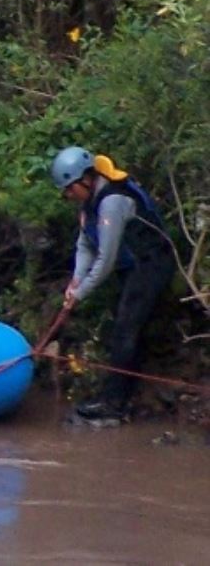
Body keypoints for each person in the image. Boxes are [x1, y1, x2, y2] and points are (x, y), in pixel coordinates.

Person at [52, 146, 176, 422]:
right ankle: (120, 395)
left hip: (152, 264)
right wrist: (75, 280)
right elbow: (85, 245)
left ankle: (114, 405)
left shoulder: (112, 202)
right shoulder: (90, 203)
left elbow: (106, 259)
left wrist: (80, 294)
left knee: (124, 330)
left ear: (84, 179)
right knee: (123, 328)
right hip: (132, 267)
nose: (68, 196)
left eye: (69, 190)